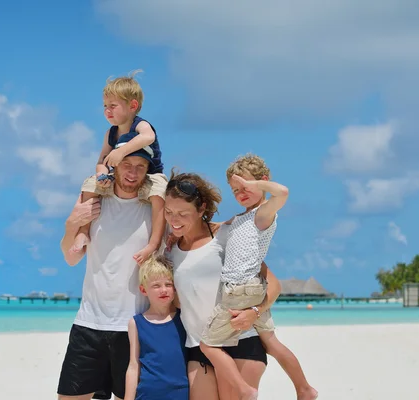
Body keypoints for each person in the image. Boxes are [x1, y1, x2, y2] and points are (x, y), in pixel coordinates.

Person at [198, 153, 318, 400]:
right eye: (235, 190)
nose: (240, 193)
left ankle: (244, 390)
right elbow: (222, 226)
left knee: (207, 345)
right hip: (253, 289)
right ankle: (304, 388)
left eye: (245, 187)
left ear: (262, 181)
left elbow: (282, 192)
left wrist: (258, 186)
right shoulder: (243, 217)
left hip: (239, 288)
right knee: (272, 343)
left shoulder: (263, 214)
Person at [57, 133, 162, 400]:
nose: (132, 172)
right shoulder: (95, 203)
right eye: (127, 165)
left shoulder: (154, 207)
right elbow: (71, 258)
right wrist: (72, 225)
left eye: (140, 167)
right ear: (115, 165)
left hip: (135, 326)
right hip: (89, 323)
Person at [163, 171, 282, 400]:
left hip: (241, 340)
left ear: (201, 209)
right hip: (198, 345)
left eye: (182, 213)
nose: (173, 220)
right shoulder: (169, 249)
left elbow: (273, 285)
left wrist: (254, 312)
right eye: (168, 212)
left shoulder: (226, 236)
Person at [70, 70, 166, 265]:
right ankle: (83, 231)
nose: (107, 111)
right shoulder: (110, 133)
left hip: (150, 173)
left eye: (113, 106)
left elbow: (148, 138)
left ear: (132, 106)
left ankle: (153, 243)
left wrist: (121, 152)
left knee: (159, 193)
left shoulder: (140, 125)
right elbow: (101, 161)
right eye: (105, 106)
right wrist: (102, 175)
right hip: (118, 173)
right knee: (89, 185)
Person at [124, 254, 189, 400]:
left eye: (168, 284)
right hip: (148, 394)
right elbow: (134, 366)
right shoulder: (136, 323)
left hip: (182, 393)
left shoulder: (184, 318)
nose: (164, 290)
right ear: (143, 290)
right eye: (156, 286)